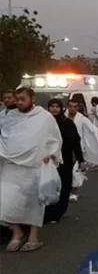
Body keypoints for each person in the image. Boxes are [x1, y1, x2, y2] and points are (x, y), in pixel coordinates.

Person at [0, 87, 62, 252]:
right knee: (5, 200)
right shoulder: (10, 117)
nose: (19, 102)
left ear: (32, 98)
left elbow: (55, 139)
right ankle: (17, 232)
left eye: (23, 99)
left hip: (34, 165)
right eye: (17, 99)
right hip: (11, 164)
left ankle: (33, 236)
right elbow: (4, 137)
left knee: (33, 202)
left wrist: (51, 153)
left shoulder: (45, 117)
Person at [44, 99, 86, 223]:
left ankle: (56, 213)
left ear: (61, 108)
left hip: (65, 161)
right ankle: (45, 213)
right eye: (52, 106)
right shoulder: (43, 123)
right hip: (46, 161)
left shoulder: (67, 123)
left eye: (57, 106)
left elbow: (76, 143)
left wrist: (81, 160)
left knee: (63, 187)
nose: (54, 109)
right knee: (47, 186)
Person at [66, 100, 98, 201]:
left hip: (78, 149)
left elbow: (94, 130)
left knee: (75, 171)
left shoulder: (82, 119)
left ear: (78, 108)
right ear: (67, 107)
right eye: (71, 106)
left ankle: (73, 191)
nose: (73, 108)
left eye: (75, 106)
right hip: (63, 149)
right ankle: (66, 191)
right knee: (65, 171)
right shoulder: (62, 117)